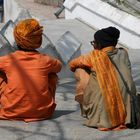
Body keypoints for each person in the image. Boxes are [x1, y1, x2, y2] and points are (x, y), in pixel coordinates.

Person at [69, 27, 136, 131]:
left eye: (94, 42)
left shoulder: (94, 56)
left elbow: (72, 64)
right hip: (130, 111)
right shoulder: (124, 53)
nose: (93, 45)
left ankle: (94, 112)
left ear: (99, 45)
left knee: (79, 69)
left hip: (105, 116)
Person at [0, 19, 62, 122]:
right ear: (39, 40)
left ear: (17, 39)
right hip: (42, 113)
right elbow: (59, 67)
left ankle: (12, 104)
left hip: (11, 112)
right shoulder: (45, 60)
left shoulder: (8, 60)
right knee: (52, 75)